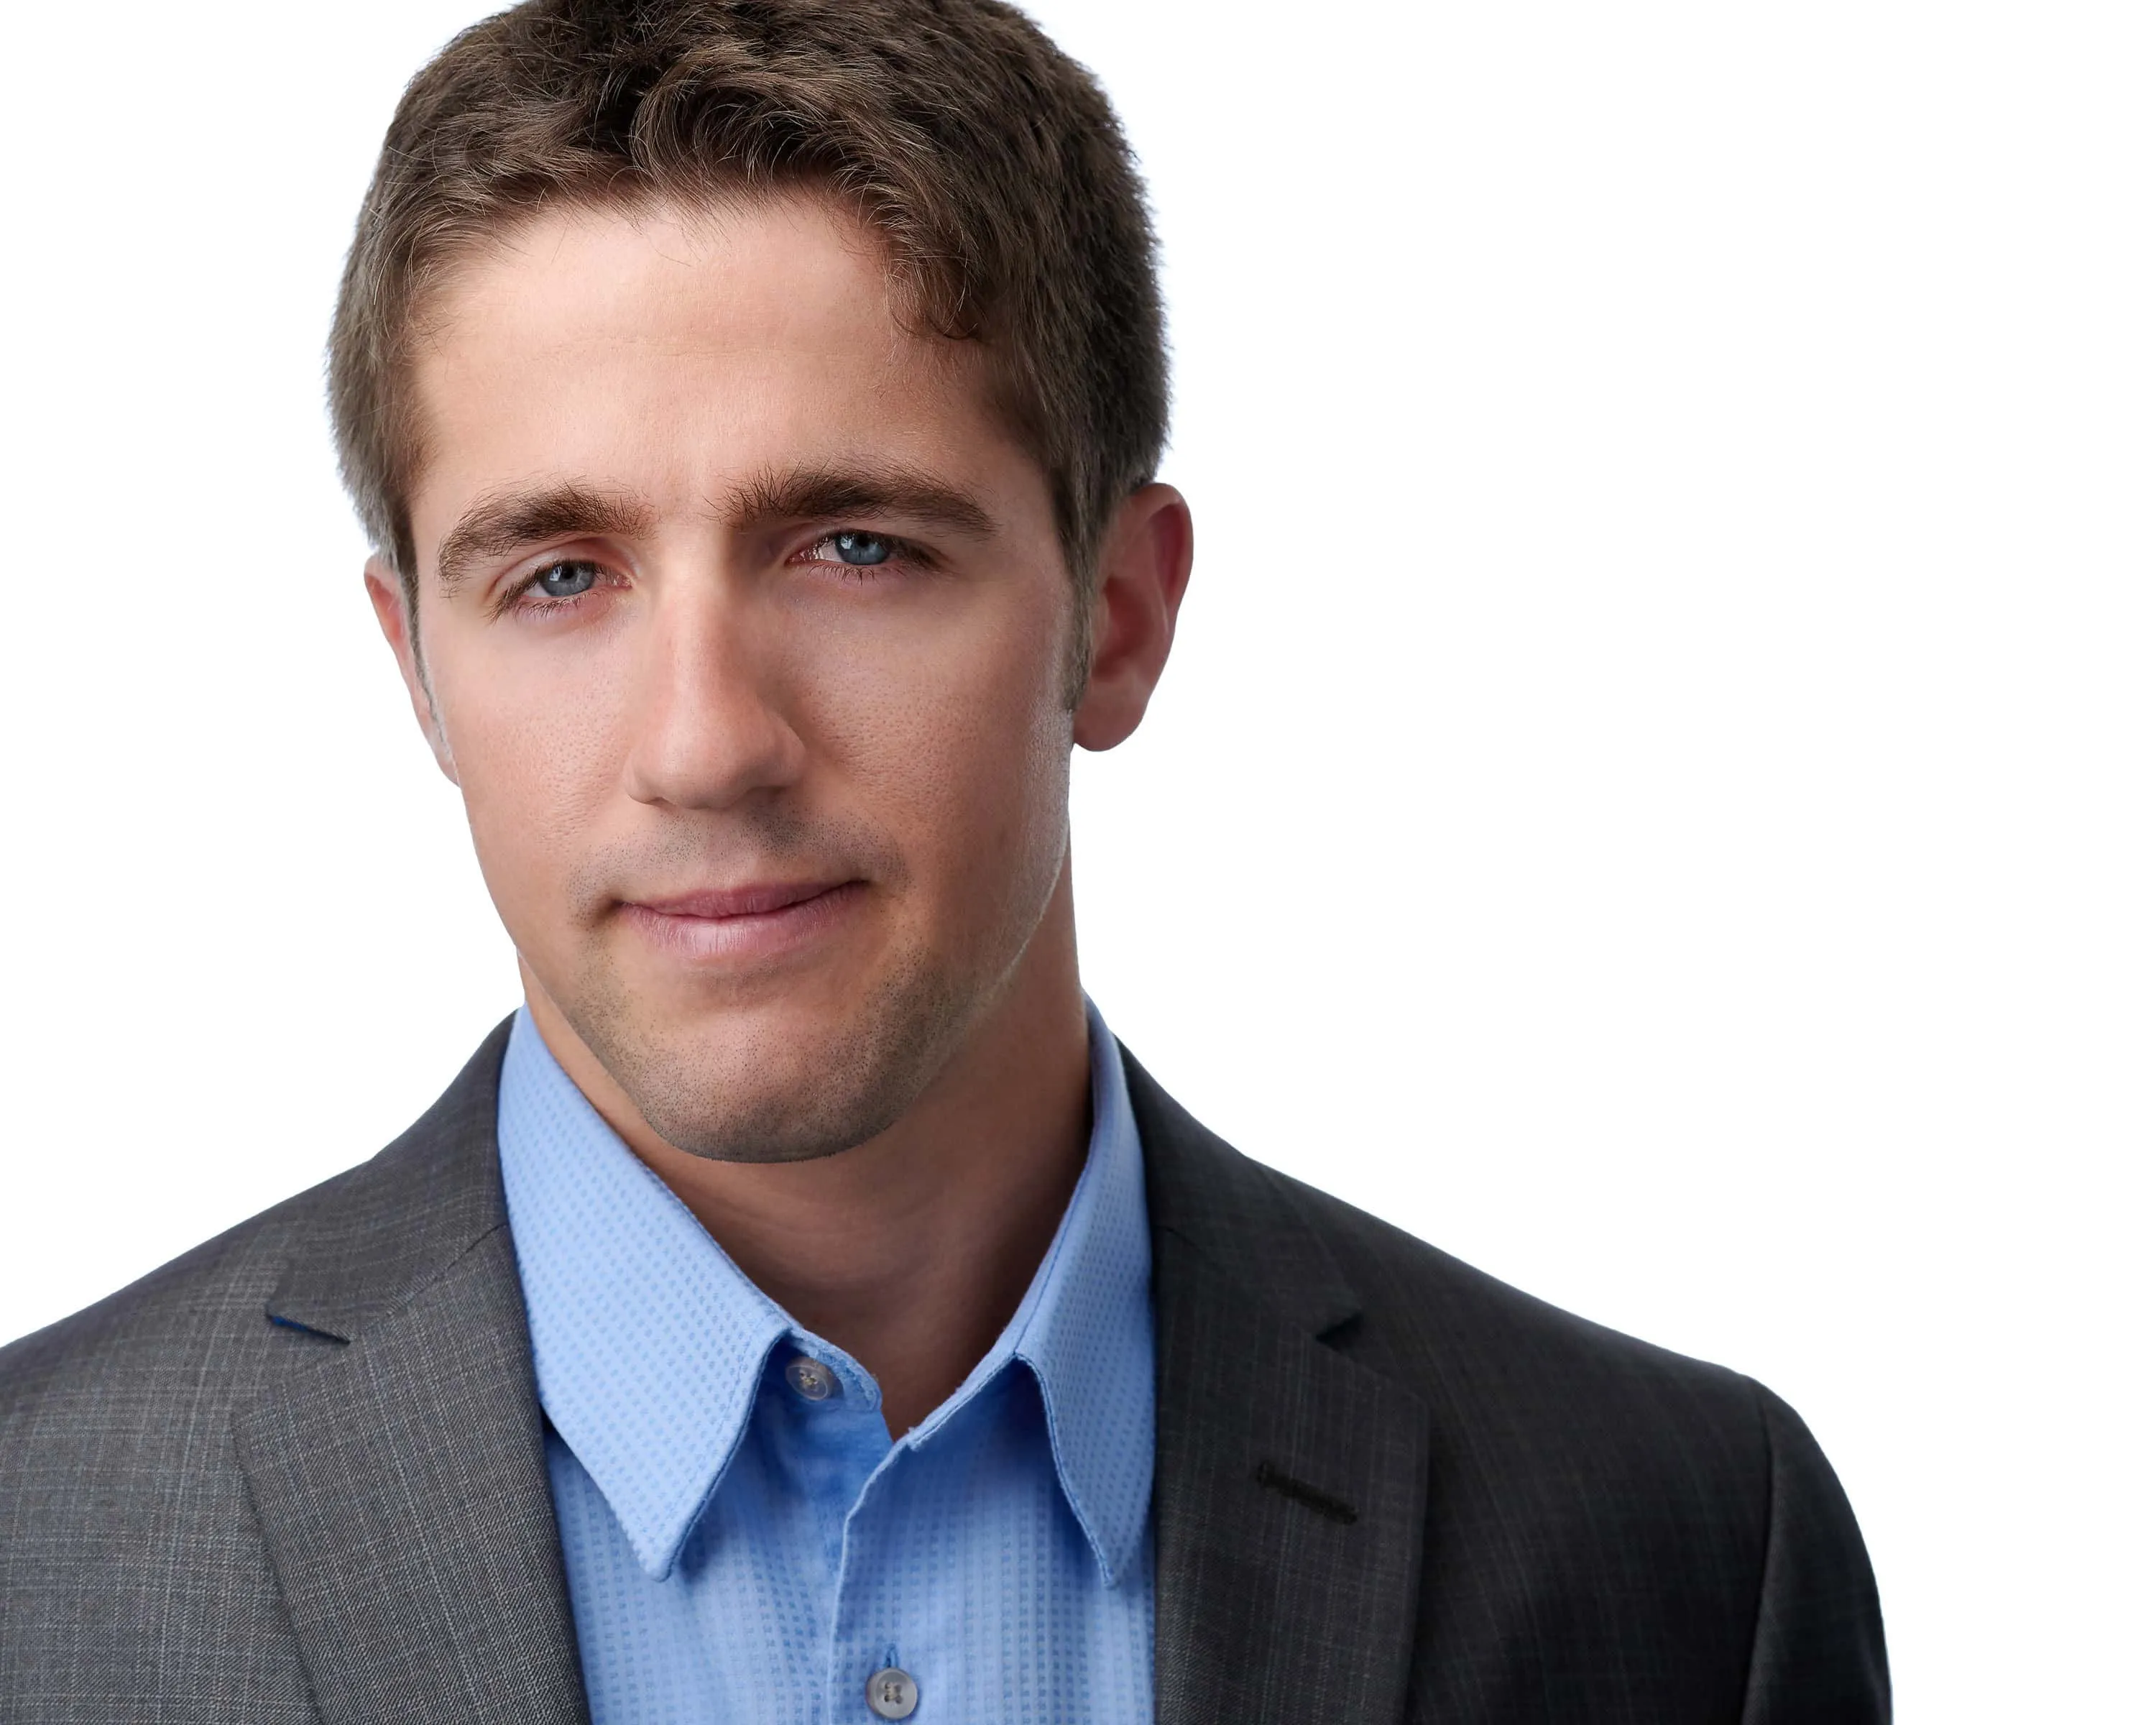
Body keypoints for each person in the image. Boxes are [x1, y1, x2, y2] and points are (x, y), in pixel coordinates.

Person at [0, 1, 1889, 1719]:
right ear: (416, 667)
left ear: (1118, 620)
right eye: (557, 576)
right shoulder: (36, 1552)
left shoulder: (1684, 1558)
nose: (703, 740)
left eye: (855, 548)